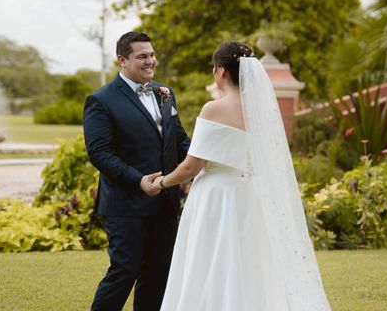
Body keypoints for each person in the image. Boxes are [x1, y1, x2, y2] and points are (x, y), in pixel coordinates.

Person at [143, 41, 331, 311]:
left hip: (216, 196)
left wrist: (160, 183)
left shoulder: (214, 108)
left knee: (212, 262)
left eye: (213, 68)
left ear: (221, 71)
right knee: (249, 264)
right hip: (249, 194)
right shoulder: (263, 111)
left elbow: (191, 167)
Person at [83, 31, 191, 311]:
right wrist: (138, 180)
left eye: (152, 55)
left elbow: (178, 139)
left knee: (158, 276)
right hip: (125, 203)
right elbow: (100, 153)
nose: (150, 61)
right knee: (124, 271)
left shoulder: (165, 94)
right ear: (122, 60)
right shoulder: (101, 100)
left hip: (165, 202)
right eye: (142, 56)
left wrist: (202, 161)